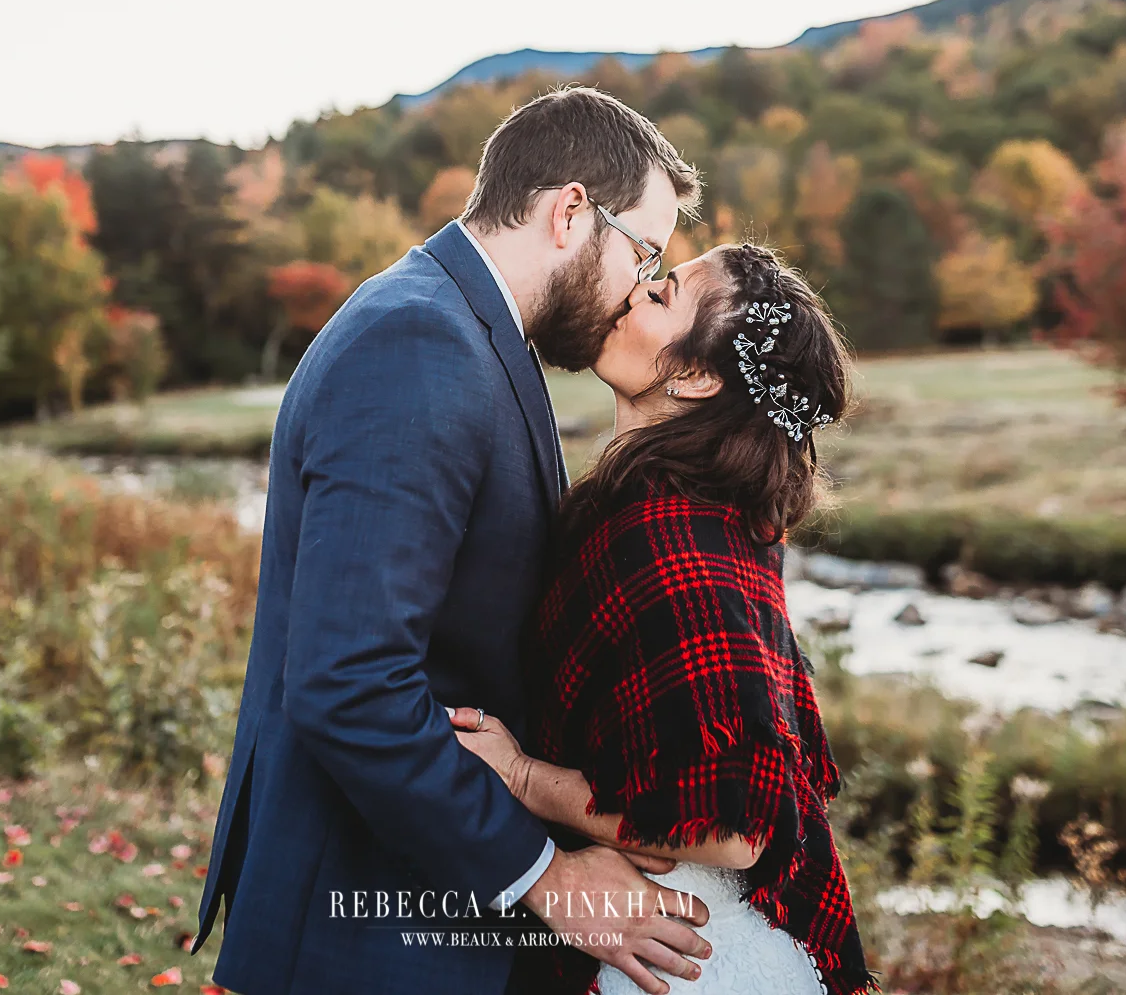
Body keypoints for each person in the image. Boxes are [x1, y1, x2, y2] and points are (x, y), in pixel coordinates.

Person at [193, 86, 719, 995]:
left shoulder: (469, 333)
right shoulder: (419, 342)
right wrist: (546, 876)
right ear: (568, 213)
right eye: (644, 252)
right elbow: (350, 683)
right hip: (359, 928)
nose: (642, 287)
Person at [452, 242, 876, 995]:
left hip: (690, 960)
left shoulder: (671, 537)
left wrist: (520, 775)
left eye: (664, 292)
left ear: (696, 374)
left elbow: (734, 830)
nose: (636, 288)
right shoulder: (672, 510)